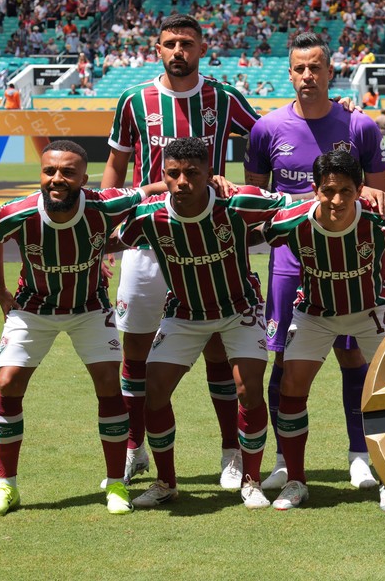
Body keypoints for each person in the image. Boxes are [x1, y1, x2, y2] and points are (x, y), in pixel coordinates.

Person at [101, 14, 260, 492]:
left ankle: (231, 452)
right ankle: (135, 447)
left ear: (201, 48)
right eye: (169, 43)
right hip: (147, 240)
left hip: (211, 240)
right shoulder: (134, 99)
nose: (178, 51)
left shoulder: (225, 98)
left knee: (216, 342)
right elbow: (115, 165)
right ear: (156, 48)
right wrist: (107, 232)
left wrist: (248, 198)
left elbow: (265, 143)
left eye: (186, 43)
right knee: (135, 348)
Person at [259, 149, 385, 511]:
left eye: (346, 191)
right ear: (316, 190)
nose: (337, 200)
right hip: (315, 312)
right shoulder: (290, 221)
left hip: (371, 310)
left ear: (360, 190)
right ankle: (296, 481)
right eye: (329, 191)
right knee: (291, 385)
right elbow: (252, 233)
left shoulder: (380, 217)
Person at [243, 31, 385, 497]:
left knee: (356, 356)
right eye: (299, 68)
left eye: (316, 67)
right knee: (283, 361)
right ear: (289, 74)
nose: (307, 76)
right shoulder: (266, 130)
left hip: (351, 264)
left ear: (332, 72)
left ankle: (360, 457)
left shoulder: (360, 127)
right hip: (289, 264)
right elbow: (256, 203)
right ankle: (285, 464)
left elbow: (381, 197)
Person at [0, 140, 165, 517]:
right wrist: (1, 291)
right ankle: (6, 486)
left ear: (84, 177)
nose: (57, 179)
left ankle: (116, 484)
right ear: (41, 173)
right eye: (50, 171)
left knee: (107, 384)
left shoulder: (105, 204)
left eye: (67, 172)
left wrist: (212, 181)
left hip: (89, 307)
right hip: (33, 307)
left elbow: (147, 190)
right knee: (8, 382)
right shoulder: (16, 213)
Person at [117, 138, 291, 510]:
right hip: (184, 313)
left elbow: (299, 205)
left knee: (248, 390)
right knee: (155, 390)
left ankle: (251, 480)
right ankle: (166, 482)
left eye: (192, 173)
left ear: (210, 175)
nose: (181, 181)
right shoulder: (150, 216)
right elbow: (115, 238)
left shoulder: (239, 203)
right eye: (173, 174)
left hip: (238, 309)